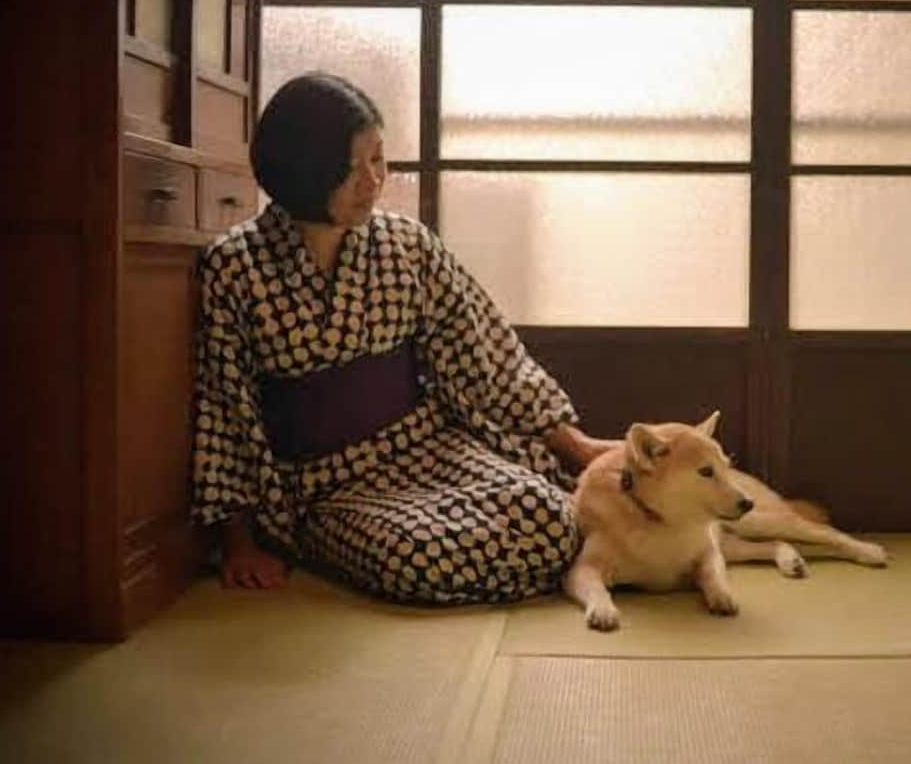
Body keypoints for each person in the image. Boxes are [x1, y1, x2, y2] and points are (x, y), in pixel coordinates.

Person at [190, 71, 617, 604]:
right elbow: (224, 408)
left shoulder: (406, 244)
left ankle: (538, 560)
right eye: (350, 168)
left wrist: (576, 447)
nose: (372, 181)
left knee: (549, 513)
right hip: (327, 483)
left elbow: (486, 354)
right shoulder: (234, 266)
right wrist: (238, 542)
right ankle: (525, 569)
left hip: (428, 445)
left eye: (377, 158)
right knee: (414, 556)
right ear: (303, 172)